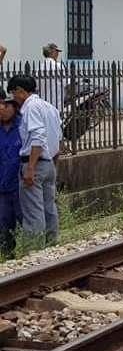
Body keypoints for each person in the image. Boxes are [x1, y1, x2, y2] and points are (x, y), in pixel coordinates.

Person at [6, 75, 62, 249]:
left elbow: (37, 137)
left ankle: (34, 250)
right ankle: (52, 245)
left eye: (14, 94)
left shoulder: (30, 108)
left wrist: (30, 167)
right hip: (49, 162)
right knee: (49, 207)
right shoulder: (49, 107)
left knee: (33, 211)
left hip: (34, 163)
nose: (14, 99)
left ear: (20, 91)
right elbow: (58, 137)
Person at [0, 98, 21, 258]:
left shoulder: (23, 126)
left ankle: (30, 250)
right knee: (4, 223)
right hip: (3, 185)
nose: (2, 109)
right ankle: (7, 254)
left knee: (24, 220)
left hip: (21, 184)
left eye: (6, 105)